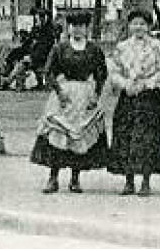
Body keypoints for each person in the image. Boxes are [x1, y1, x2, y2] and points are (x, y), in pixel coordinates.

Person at [30, 11, 109, 194]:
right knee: (58, 135)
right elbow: (48, 72)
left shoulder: (93, 50)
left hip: (84, 95)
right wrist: (59, 91)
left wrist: (96, 94)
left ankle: (75, 179)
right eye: (73, 26)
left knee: (79, 136)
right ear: (68, 28)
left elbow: (101, 74)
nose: (77, 30)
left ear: (86, 28)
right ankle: (53, 178)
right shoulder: (60, 48)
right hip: (64, 95)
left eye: (81, 26)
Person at [105, 9, 160, 196]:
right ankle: (128, 180)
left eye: (142, 24)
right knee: (127, 134)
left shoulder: (157, 46)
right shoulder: (122, 47)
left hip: (149, 96)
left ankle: (146, 181)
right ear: (129, 25)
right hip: (128, 95)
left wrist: (149, 83)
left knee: (148, 137)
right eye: (135, 23)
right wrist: (125, 84)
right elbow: (113, 71)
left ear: (149, 26)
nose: (138, 27)